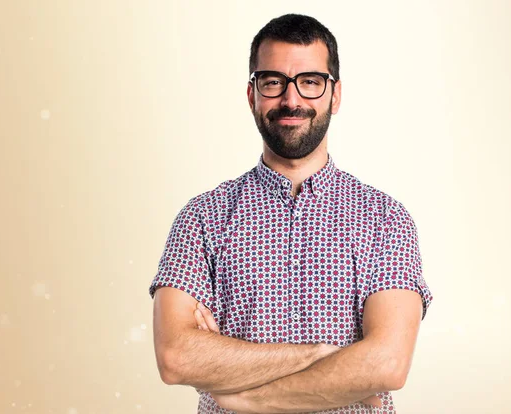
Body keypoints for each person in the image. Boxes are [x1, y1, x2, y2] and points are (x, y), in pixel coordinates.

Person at [149, 13, 433, 413]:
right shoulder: (201, 218)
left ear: (335, 95)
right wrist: (323, 355)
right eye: (273, 82)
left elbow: (387, 364)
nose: (292, 100)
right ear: (252, 95)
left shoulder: (385, 219)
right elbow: (177, 356)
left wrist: (248, 396)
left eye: (311, 83)